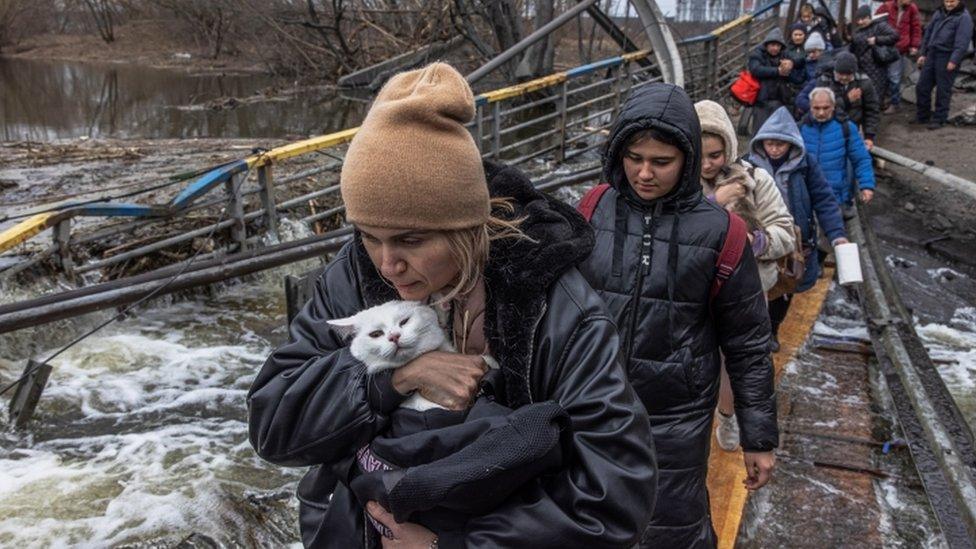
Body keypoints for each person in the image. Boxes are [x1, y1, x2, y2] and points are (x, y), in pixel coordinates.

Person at [247, 63, 657, 548]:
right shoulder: (351, 275)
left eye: (411, 240)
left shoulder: (557, 307)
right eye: (368, 235)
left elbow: (616, 495)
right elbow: (274, 426)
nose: (387, 265)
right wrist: (393, 380)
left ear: (465, 229)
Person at [578, 83, 779, 548]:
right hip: (592, 402)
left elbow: (748, 344)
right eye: (633, 158)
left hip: (675, 415)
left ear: (687, 158)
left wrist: (758, 438)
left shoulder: (721, 232)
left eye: (661, 162)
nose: (644, 173)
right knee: (590, 520)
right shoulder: (593, 208)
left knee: (670, 526)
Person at [695, 99, 796, 452]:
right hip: (693, 290)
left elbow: (785, 231)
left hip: (745, 289)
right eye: (700, 154)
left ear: (730, 149)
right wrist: (716, 202)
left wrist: (755, 242)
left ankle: (726, 414)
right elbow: (673, 234)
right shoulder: (676, 182)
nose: (707, 165)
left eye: (716, 155)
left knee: (731, 359)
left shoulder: (756, 180)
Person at [744, 105, 848, 359]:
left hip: (794, 238)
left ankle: (772, 330)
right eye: (770, 144)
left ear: (791, 144)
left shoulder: (804, 165)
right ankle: (755, 332)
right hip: (760, 236)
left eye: (780, 144)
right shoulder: (748, 166)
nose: (775, 149)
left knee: (786, 285)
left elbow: (823, 199)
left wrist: (837, 234)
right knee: (758, 285)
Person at [800, 87, 877, 206]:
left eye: (826, 108)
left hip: (835, 196)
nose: (821, 112)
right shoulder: (800, 128)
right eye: (816, 108)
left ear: (833, 105)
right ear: (810, 106)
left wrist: (866, 185)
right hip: (806, 195)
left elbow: (861, 159)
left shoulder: (846, 128)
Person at [796, 52, 881, 149]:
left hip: (853, 128)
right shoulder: (824, 80)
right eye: (841, 74)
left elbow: (872, 109)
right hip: (829, 128)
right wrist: (846, 100)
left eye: (848, 74)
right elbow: (823, 108)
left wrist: (869, 136)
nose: (844, 77)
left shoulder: (864, 82)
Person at [916, 0, 974, 129]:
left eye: (952, 1)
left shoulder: (964, 18)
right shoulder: (939, 12)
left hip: (947, 55)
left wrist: (954, 60)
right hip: (932, 53)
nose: (949, 4)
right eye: (947, 1)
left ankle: (939, 119)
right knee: (922, 86)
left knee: (943, 90)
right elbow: (928, 33)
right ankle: (922, 116)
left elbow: (962, 42)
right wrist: (923, 53)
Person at [875, 0, 923, 113]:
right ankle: (880, 101)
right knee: (881, 75)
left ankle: (894, 103)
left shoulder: (912, 8)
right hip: (884, 45)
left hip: (899, 48)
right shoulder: (887, 6)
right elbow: (875, 22)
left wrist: (914, 45)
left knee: (894, 76)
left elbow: (916, 28)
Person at [850, 5, 901, 108]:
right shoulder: (858, 31)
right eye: (858, 20)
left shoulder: (880, 26)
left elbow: (895, 36)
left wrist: (877, 40)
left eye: (863, 19)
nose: (860, 22)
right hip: (862, 68)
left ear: (869, 17)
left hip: (877, 67)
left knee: (875, 95)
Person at [749, 28, 797, 133]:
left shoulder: (785, 55)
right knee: (759, 131)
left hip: (780, 99)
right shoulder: (757, 54)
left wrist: (791, 65)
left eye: (778, 46)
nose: (775, 48)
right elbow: (755, 70)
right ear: (766, 45)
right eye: (772, 45)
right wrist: (777, 71)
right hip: (762, 100)